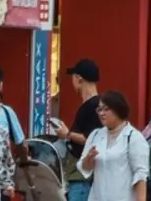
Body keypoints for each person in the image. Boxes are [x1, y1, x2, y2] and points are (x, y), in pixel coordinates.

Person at [76, 92, 148, 201]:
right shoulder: (95, 135)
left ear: (118, 109)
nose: (102, 113)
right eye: (99, 109)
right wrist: (89, 158)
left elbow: (140, 174)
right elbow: (84, 167)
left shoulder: (133, 137)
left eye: (106, 109)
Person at [58, 62, 103, 201]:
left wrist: (67, 134)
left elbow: (91, 138)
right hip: (81, 172)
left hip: (82, 175)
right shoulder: (95, 104)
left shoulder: (93, 105)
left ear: (79, 78)